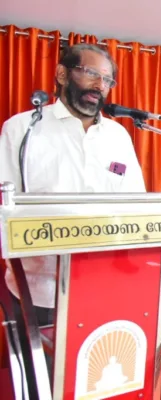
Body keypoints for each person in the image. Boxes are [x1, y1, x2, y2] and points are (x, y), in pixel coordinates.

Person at [0, 43, 146, 388]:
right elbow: (7, 207)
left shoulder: (118, 135)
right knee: (46, 384)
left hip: (107, 284)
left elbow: (136, 204)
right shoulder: (22, 129)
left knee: (101, 379)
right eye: (91, 73)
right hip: (41, 290)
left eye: (107, 80)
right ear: (63, 74)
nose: (100, 86)